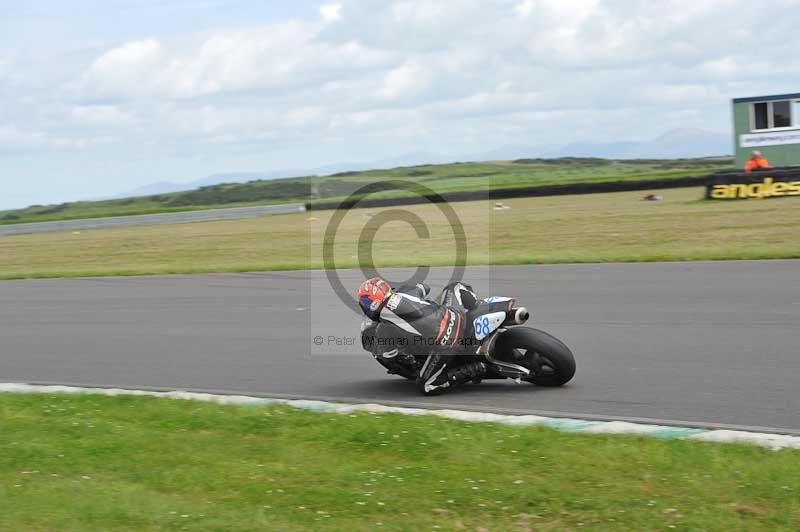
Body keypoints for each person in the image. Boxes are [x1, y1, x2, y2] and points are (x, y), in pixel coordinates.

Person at [356, 277, 487, 395]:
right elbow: (424, 287)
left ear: (370, 305)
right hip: (454, 314)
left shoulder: (384, 324)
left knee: (427, 385)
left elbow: (389, 352)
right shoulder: (406, 292)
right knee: (454, 286)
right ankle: (477, 307)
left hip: (445, 341)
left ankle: (473, 370)